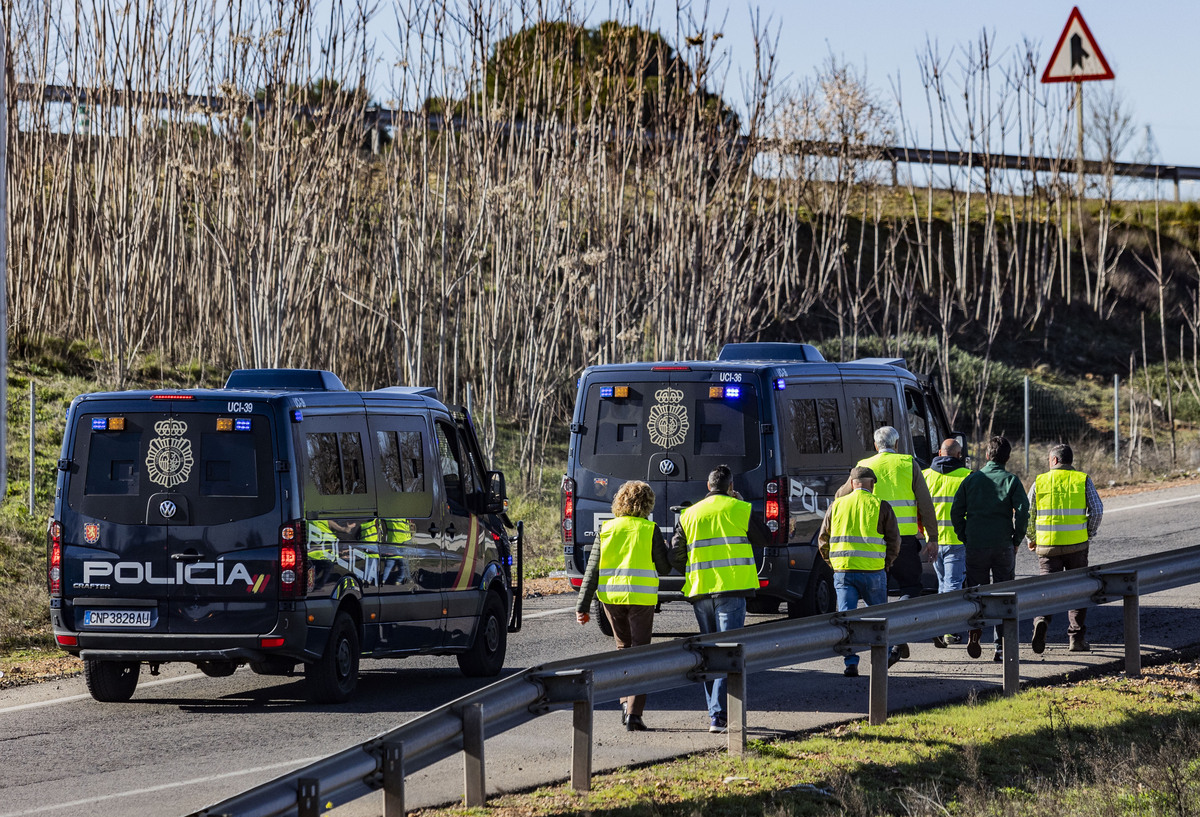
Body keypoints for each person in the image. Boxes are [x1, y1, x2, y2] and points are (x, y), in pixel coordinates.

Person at [671, 464, 769, 734]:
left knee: (709, 652)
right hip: (732, 589)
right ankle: (718, 715)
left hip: (701, 590)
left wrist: (692, 570)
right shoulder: (740, 509)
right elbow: (765, 538)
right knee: (727, 651)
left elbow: (676, 554)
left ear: (708, 486)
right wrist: (740, 503)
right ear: (731, 487)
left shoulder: (689, 514)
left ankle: (715, 713)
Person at [575, 480, 672, 731]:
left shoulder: (606, 529)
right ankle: (634, 714)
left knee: (623, 648)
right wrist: (669, 550)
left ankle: (623, 701)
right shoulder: (649, 529)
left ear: (620, 501)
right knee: (641, 652)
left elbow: (592, 570)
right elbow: (663, 567)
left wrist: (582, 606)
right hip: (640, 598)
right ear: (647, 504)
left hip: (611, 599)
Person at [837, 425, 937, 666]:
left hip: (873, 543)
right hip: (904, 542)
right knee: (911, 588)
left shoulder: (864, 465)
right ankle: (896, 631)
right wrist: (932, 537)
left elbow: (840, 496)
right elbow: (925, 502)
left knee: (875, 595)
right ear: (898, 444)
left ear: (875, 445)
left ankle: (885, 640)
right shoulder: (907, 463)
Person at [950, 435, 1029, 661]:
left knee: (977, 591)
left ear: (987, 455)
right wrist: (1016, 539)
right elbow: (1024, 511)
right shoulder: (1011, 480)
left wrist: (965, 535)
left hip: (976, 545)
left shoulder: (972, 480)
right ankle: (1001, 647)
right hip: (1003, 545)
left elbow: (956, 512)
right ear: (1008, 457)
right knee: (1003, 595)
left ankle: (975, 632)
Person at [817, 466, 902, 678]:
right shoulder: (881, 505)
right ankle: (885, 655)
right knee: (880, 618)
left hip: (844, 572)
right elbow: (894, 541)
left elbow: (823, 540)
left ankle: (851, 663)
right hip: (874, 572)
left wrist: (833, 564)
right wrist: (887, 563)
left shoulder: (837, 505)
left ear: (853, 483)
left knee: (847, 618)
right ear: (872, 484)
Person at [1027, 443, 1104, 653]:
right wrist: (1089, 533)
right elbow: (1097, 510)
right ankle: (1076, 639)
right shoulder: (1082, 479)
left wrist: (1031, 538)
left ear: (1054, 460)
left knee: (1047, 590)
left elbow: (1028, 512)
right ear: (1070, 461)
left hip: (1047, 548)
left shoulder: (1040, 481)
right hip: (1076, 547)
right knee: (1078, 591)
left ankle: (1041, 620)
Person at [923, 439, 971, 648]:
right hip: (956, 539)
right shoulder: (967, 477)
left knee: (943, 584)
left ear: (939, 453)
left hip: (933, 540)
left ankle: (940, 626)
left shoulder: (925, 476)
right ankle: (948, 629)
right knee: (952, 585)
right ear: (959, 455)